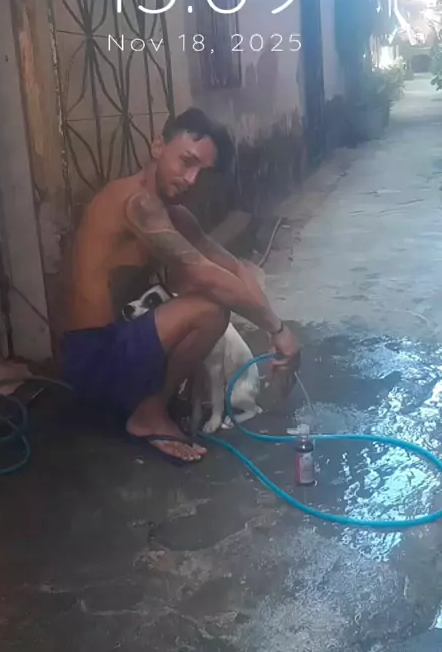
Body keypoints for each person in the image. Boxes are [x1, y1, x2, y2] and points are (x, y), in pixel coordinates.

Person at [62, 108, 301, 463]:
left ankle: (147, 400)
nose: (191, 179)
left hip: (122, 340)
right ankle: (148, 416)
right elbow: (205, 275)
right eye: (186, 162)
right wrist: (278, 330)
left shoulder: (174, 215)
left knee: (205, 295)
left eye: (202, 172)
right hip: (92, 356)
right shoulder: (137, 203)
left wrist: (279, 335)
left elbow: (235, 268)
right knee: (210, 309)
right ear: (157, 146)